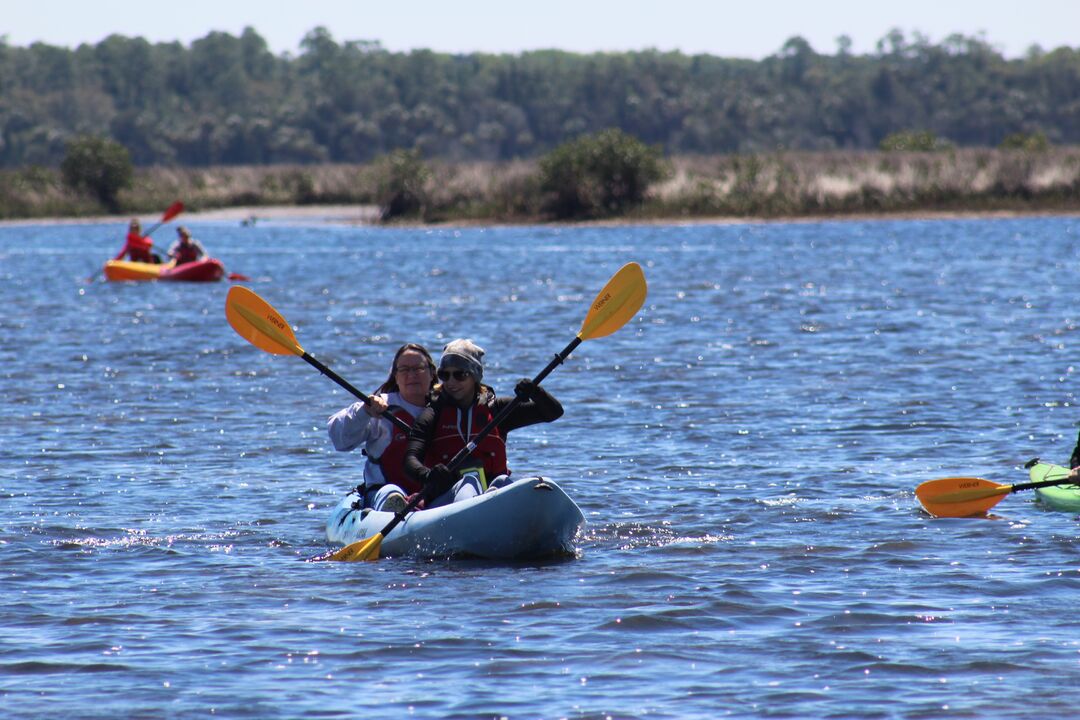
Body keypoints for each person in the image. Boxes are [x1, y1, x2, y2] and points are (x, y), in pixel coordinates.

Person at [403, 339, 563, 508]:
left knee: (503, 481)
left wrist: (536, 392)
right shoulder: (432, 414)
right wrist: (428, 475)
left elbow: (553, 412)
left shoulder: (497, 410)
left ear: (475, 376)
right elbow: (410, 460)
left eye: (459, 374)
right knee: (468, 483)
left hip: (492, 497)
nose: (451, 382)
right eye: (445, 375)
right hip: (447, 502)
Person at [327, 343, 437, 512]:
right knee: (391, 493)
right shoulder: (380, 407)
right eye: (404, 369)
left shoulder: (446, 407)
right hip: (383, 494)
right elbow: (339, 440)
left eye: (418, 368)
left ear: (431, 373)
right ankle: (396, 507)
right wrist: (364, 411)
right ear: (395, 376)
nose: (412, 374)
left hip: (430, 494)